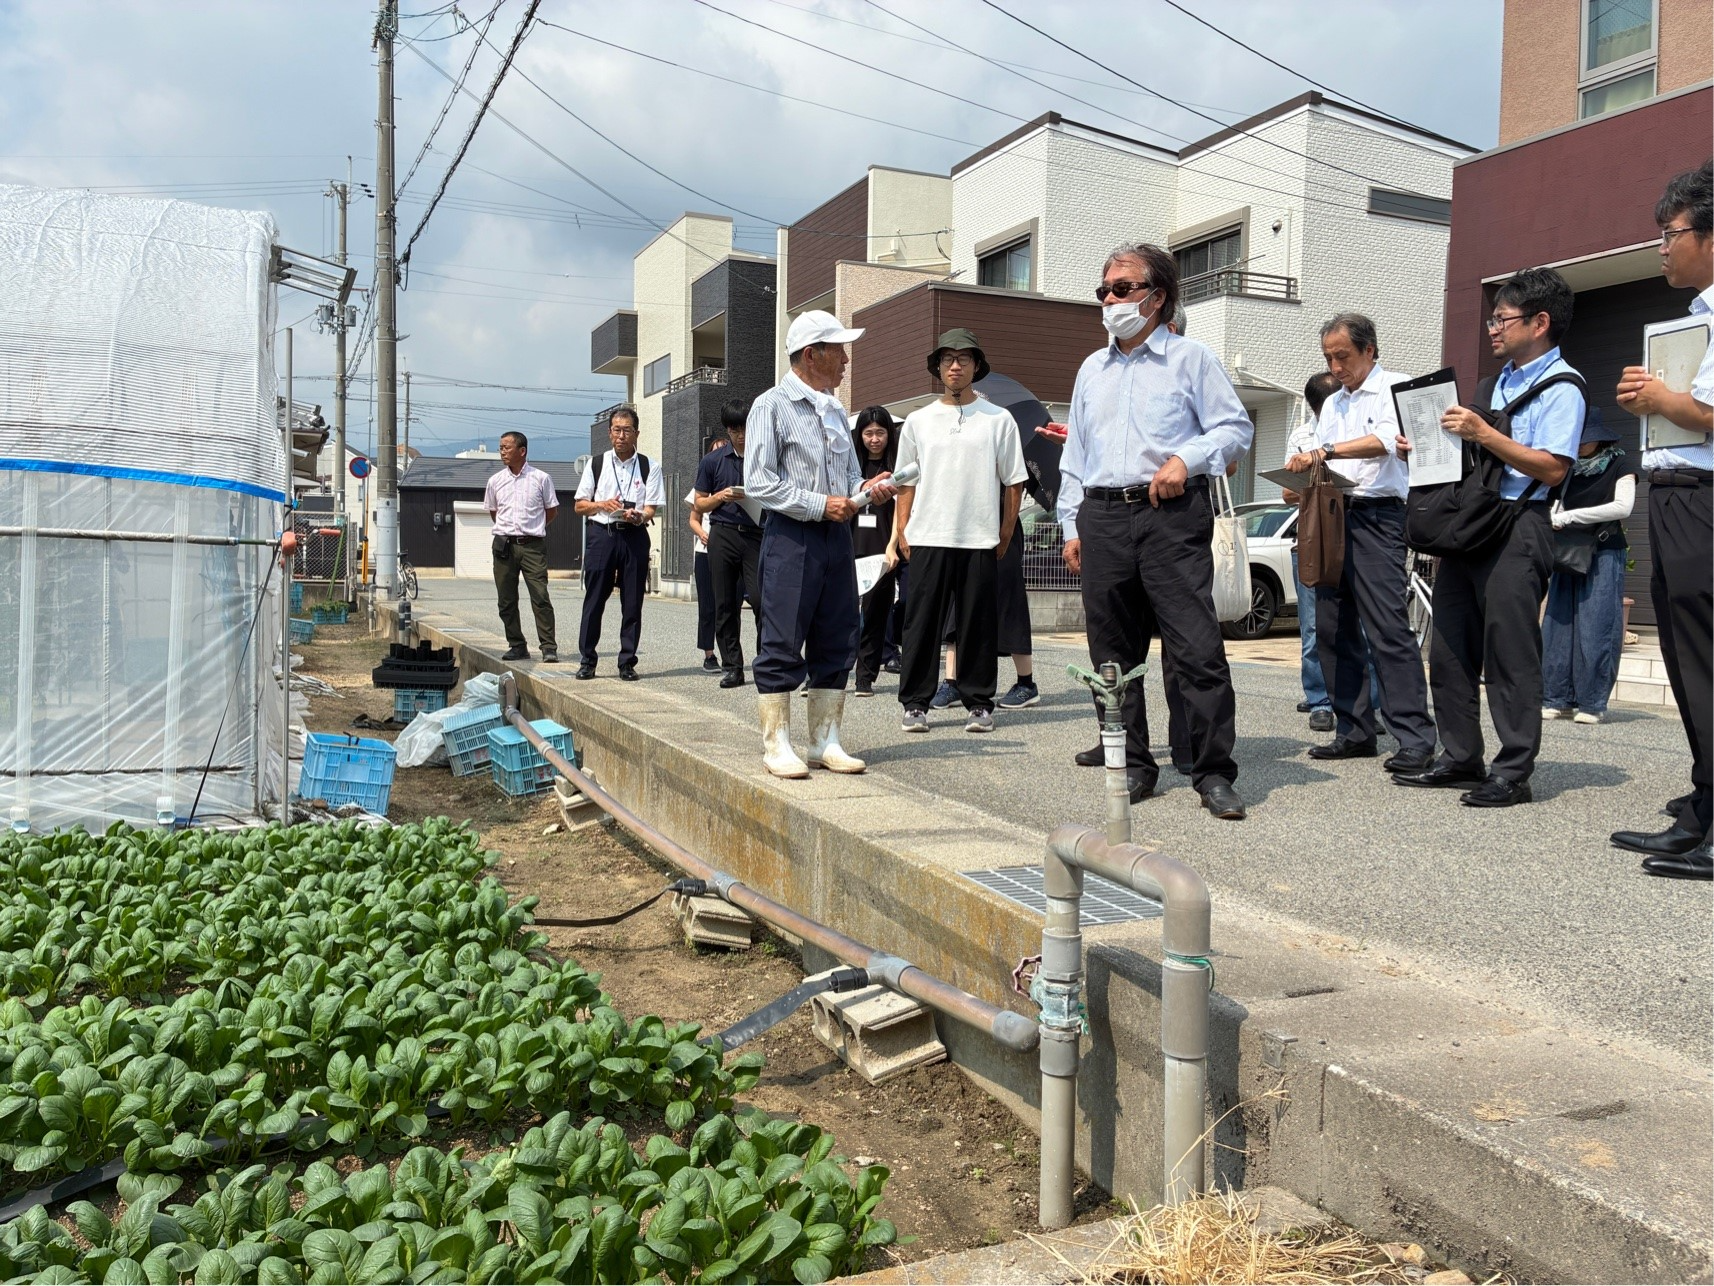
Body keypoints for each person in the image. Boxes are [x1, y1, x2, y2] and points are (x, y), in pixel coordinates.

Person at [1058, 243, 1253, 819]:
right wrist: (1072, 522)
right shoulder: (1091, 369)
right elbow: (1077, 455)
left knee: (1195, 647)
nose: (1110, 300)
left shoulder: (1191, 358)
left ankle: (1213, 771)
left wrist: (1185, 460)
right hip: (1103, 516)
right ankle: (1132, 763)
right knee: (1111, 653)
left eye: (1122, 289)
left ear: (1157, 296)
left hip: (1168, 517)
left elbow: (1234, 428)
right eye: (1104, 291)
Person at [1395, 269, 1583, 806]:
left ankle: (1513, 770)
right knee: (1449, 646)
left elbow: (1551, 468)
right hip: (1472, 525)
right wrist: (1427, 445)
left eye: (1502, 318)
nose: (1492, 328)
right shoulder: (1493, 382)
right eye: (1493, 318)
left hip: (1520, 526)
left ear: (1539, 323)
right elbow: (1472, 458)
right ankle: (1460, 756)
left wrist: (1483, 432)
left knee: (1509, 652)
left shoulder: (1563, 386)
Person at [1611, 160, 1713, 879]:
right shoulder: (1696, 321)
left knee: (1708, 658)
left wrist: (1660, 399)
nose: (1662, 247)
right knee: (1687, 658)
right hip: (1676, 493)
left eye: (1671, 233)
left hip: (1704, 499)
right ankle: (1705, 807)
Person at [744, 310, 894, 778]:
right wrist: (817, 504)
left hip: (836, 536)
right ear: (813, 354)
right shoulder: (770, 405)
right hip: (791, 535)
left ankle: (825, 739)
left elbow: (849, 478)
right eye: (839, 350)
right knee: (783, 635)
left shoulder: (832, 408)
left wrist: (870, 489)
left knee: (837, 632)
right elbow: (758, 482)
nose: (847, 359)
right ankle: (777, 743)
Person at [1286, 314, 1437, 778]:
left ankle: (1414, 737)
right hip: (1333, 513)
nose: (1335, 366)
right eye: (1329, 358)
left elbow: (1387, 442)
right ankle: (1353, 729)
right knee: (1332, 625)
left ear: (1370, 349)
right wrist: (1302, 474)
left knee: (1386, 627)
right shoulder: (1332, 403)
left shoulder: (1399, 387)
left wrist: (1326, 453)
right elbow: (1325, 456)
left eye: (1343, 356)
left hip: (1379, 516)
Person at [896, 329, 1027, 735]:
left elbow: (1014, 480)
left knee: (977, 623)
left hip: (978, 536)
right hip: (928, 534)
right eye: (948, 358)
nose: (955, 365)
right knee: (921, 623)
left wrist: (1005, 530)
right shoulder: (918, 421)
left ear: (976, 367)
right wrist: (901, 530)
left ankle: (979, 703)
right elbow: (906, 483)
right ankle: (916, 704)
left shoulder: (998, 419)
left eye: (964, 359)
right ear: (937, 367)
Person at [1541, 412, 1637, 725]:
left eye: (1586, 439)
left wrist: (1571, 516)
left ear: (1601, 437)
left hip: (1604, 550)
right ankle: (1556, 698)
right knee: (1557, 626)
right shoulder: (1566, 468)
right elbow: (1552, 503)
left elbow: (1623, 507)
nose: (1581, 446)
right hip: (1566, 553)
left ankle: (1592, 703)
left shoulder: (1621, 464)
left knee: (1598, 627)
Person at [572, 406, 663, 681]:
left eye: (627, 430)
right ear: (609, 433)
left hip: (634, 534)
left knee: (633, 601)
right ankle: (587, 660)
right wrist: (601, 504)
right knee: (594, 598)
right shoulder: (597, 463)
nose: (621, 435)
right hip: (603, 533)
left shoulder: (650, 466)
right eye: (616, 430)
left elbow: (652, 509)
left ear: (636, 433)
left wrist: (640, 516)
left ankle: (627, 662)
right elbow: (579, 506)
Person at [1282, 371, 1345, 732]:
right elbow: (1288, 494)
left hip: (1353, 533)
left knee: (1357, 625)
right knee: (1313, 625)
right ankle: (1320, 698)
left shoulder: (1354, 428)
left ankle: (1365, 702)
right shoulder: (1302, 435)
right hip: (1311, 537)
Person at [694, 402, 763, 689]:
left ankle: (766, 662)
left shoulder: (763, 457)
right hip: (721, 533)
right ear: (728, 430)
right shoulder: (712, 461)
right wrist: (721, 496)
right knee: (725, 603)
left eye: (746, 428)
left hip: (756, 533)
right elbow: (700, 502)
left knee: (762, 600)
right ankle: (733, 666)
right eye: (735, 429)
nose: (741, 435)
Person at [484, 430, 559, 663]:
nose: (502, 451)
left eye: (507, 447)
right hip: (503, 544)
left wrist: (532, 528)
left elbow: (551, 511)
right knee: (506, 599)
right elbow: (494, 512)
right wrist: (510, 531)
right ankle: (517, 645)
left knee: (540, 596)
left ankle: (548, 647)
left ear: (522, 450)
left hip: (533, 546)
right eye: (500, 447)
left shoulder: (541, 478)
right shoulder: (495, 481)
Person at [850, 406, 902, 698]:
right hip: (849, 548)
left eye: (880, 432)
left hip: (881, 551)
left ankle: (864, 678)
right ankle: (822, 675)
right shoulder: (850, 469)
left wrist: (892, 547)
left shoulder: (897, 468)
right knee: (840, 615)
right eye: (868, 433)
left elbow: (900, 513)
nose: (874, 439)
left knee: (874, 616)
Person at [687, 464, 718, 673]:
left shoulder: (738, 485)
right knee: (707, 606)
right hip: (705, 552)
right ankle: (709, 654)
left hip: (733, 552)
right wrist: (702, 534)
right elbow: (693, 520)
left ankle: (731, 654)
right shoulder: (702, 488)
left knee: (730, 606)